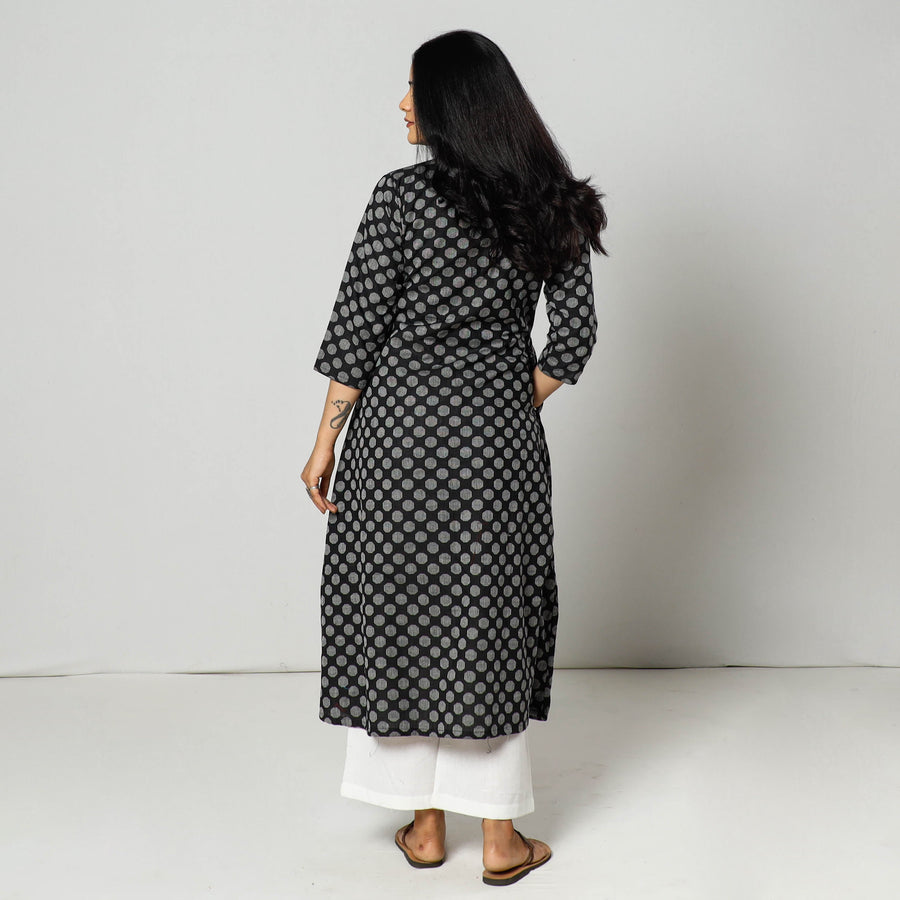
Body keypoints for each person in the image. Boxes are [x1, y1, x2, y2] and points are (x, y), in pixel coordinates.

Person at [301, 29, 608, 887]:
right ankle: (502, 840)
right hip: (496, 452)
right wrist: (503, 404)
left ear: (453, 104)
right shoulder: (552, 203)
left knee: (399, 608)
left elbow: (358, 329)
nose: (404, 104)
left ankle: (427, 828)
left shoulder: (401, 199)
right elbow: (574, 338)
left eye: (415, 89)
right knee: (488, 612)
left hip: (395, 442)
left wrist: (325, 439)